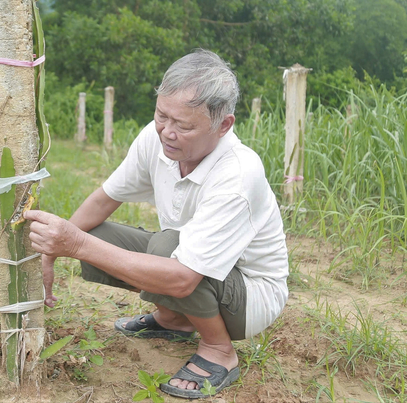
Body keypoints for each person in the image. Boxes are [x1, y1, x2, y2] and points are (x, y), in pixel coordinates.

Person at [23, 49, 289, 399]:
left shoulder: (238, 173)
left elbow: (182, 278)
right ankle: (174, 321)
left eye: (185, 125)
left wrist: (75, 243)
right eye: (162, 115)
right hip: (194, 267)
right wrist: (50, 254)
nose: (168, 132)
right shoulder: (156, 137)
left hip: (249, 296)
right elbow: (105, 198)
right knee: (97, 232)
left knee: (166, 249)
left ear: (223, 125)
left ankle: (219, 351)